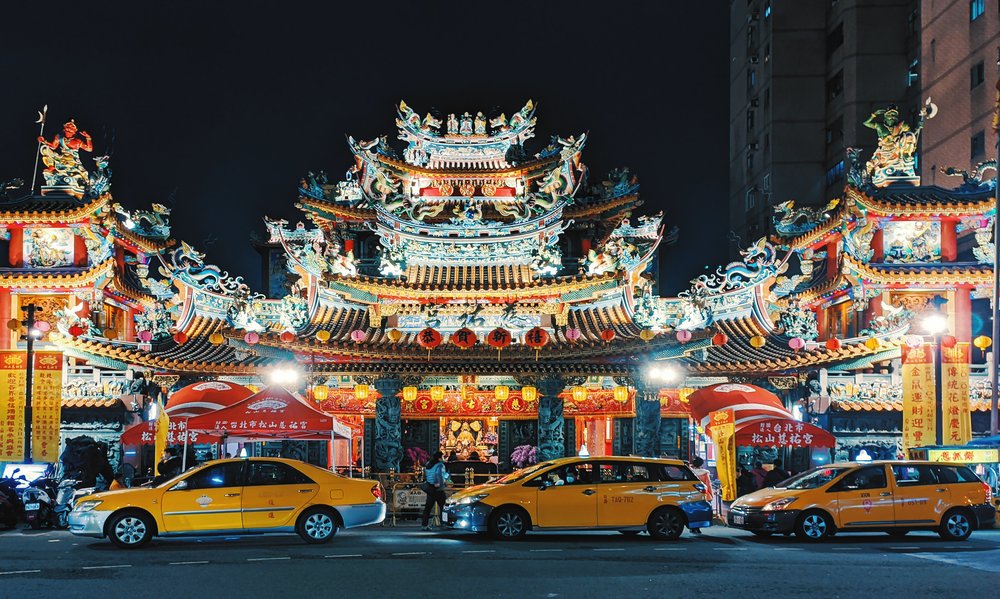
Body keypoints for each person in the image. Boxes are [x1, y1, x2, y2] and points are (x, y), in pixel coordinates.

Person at [420, 451, 448, 531]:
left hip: (430, 488)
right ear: (439, 457)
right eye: (442, 457)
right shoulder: (440, 465)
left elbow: (427, 475)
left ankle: (424, 525)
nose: (443, 458)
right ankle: (444, 523)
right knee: (443, 507)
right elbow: (439, 474)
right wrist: (440, 482)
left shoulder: (428, 464)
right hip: (438, 489)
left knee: (428, 507)